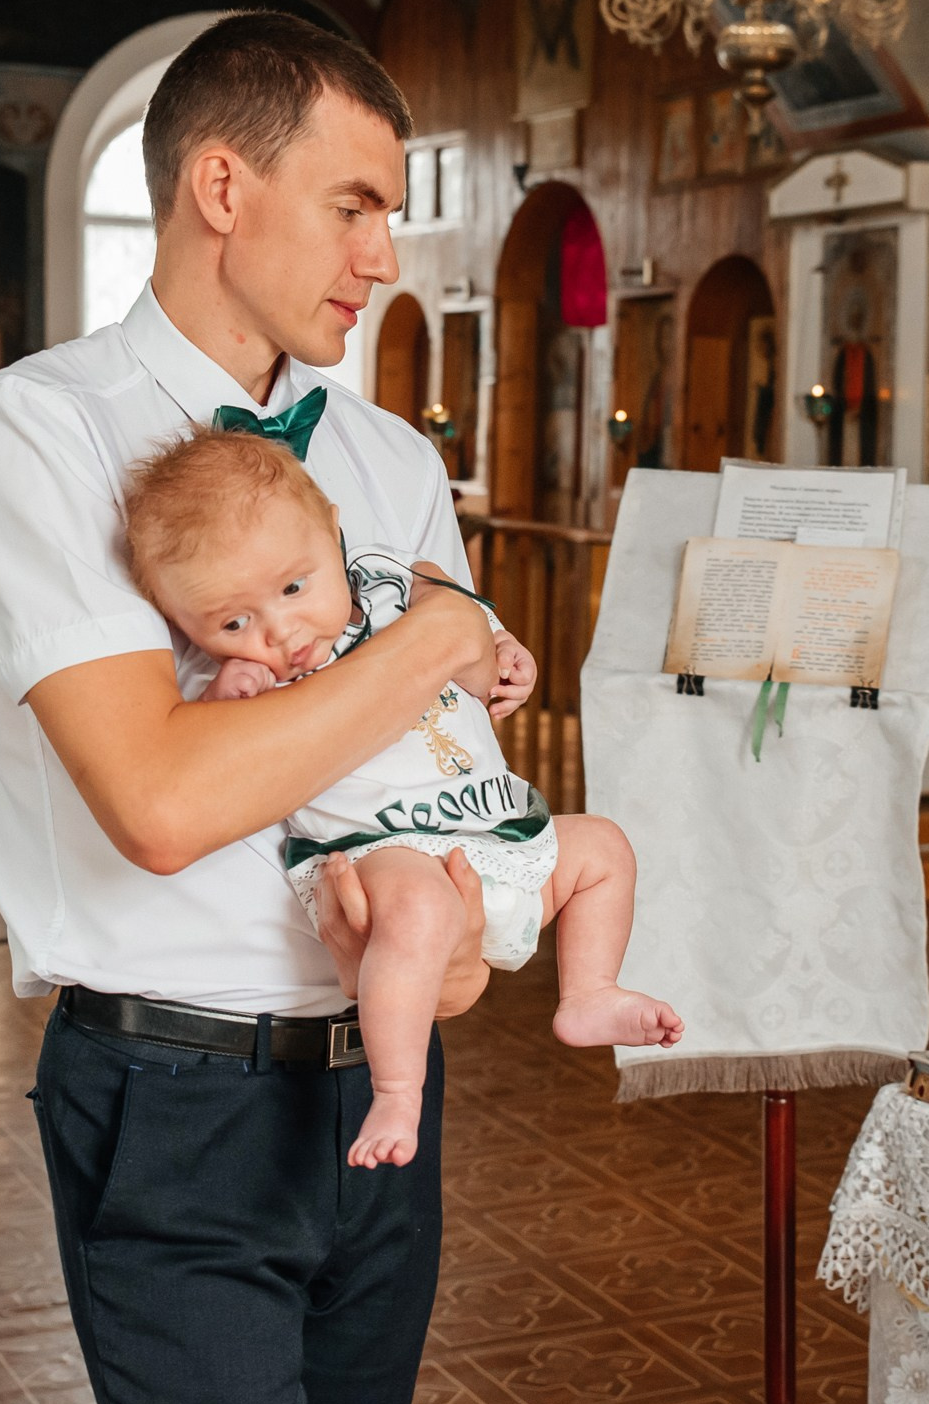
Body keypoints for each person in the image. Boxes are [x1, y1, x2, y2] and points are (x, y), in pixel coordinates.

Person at [0, 10, 504, 1404]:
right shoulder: (40, 429)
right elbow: (163, 802)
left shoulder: (391, 458)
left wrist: (459, 950)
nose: (383, 257)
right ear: (222, 187)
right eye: (353, 207)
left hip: (383, 1085)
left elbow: (452, 777)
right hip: (175, 1091)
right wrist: (433, 634)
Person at [120, 428, 683, 1166]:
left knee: (603, 847)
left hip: (497, 838)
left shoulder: (391, 581)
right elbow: (217, 757)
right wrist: (230, 695)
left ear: (333, 530)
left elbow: (466, 618)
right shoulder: (243, 678)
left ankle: (587, 991)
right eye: (233, 622)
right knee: (418, 910)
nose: (281, 631)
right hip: (380, 853)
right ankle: (395, 1089)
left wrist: (506, 648)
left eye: (294, 588)